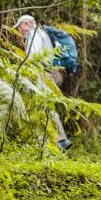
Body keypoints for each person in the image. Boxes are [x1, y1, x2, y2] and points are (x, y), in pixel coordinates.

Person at [14, 14, 71, 150]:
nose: (19, 30)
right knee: (41, 103)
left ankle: (60, 140)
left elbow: (33, 58)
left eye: (20, 27)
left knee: (43, 103)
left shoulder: (34, 35)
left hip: (49, 73)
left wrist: (22, 71)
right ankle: (51, 141)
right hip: (55, 72)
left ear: (26, 24)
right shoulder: (41, 34)